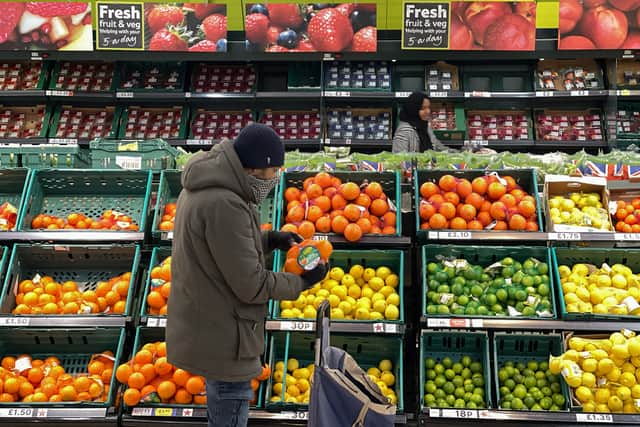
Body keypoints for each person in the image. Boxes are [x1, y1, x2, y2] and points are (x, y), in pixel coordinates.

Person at [166, 123, 328, 427]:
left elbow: (220, 250)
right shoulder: (225, 203)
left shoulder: (206, 188)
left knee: (220, 406)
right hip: (225, 336)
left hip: (210, 323)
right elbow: (251, 285)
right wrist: (303, 282)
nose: (275, 178)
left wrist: (270, 240)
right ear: (256, 168)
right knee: (228, 406)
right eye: (274, 171)